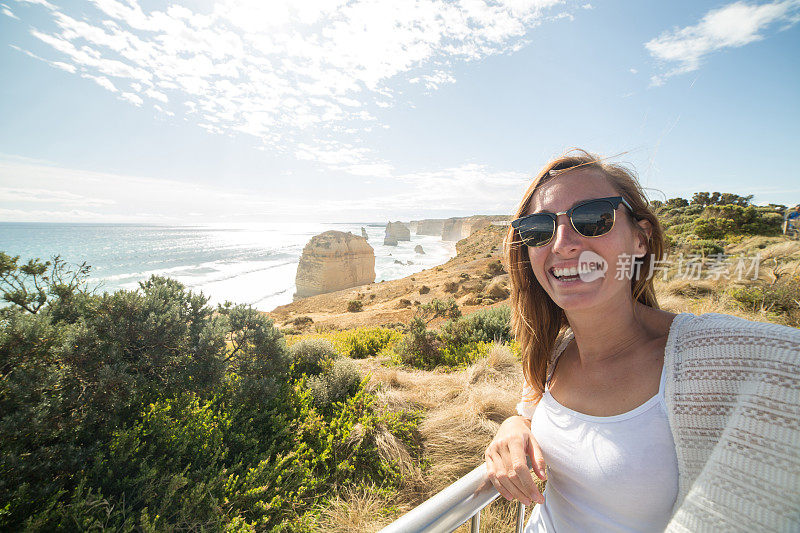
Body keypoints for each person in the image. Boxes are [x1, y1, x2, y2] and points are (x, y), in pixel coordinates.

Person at [484, 149, 800, 532]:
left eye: (593, 218)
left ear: (640, 239)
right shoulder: (555, 352)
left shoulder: (703, 357)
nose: (562, 243)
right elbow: (530, 409)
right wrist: (513, 427)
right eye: (539, 228)